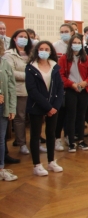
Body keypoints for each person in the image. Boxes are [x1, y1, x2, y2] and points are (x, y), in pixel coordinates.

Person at [25, 41, 64, 176]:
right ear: (37, 51)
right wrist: (47, 107)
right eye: (41, 49)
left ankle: (51, 161)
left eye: (46, 49)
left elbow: (59, 87)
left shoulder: (55, 67)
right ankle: (37, 165)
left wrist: (55, 107)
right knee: (35, 135)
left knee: (51, 134)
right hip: (37, 105)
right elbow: (32, 90)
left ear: (50, 51)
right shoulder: (31, 67)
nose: (44, 51)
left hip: (53, 106)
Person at [59, 35, 88, 152]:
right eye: (74, 42)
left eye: (79, 42)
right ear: (70, 44)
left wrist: (86, 82)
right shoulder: (64, 58)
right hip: (71, 90)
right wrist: (71, 84)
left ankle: (81, 140)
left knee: (81, 116)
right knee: (71, 116)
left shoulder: (86, 58)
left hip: (84, 90)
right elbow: (61, 76)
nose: (76, 44)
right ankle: (71, 141)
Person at [3, 30, 32, 155]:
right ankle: (21, 143)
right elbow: (10, 73)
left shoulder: (31, 52)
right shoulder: (8, 54)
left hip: (33, 90)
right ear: (14, 38)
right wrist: (30, 76)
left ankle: (34, 142)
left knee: (34, 117)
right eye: (21, 36)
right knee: (20, 118)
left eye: (26, 37)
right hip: (19, 90)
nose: (23, 39)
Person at [0, 40, 17, 181]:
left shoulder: (5, 63)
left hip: (3, 107)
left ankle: (1, 168)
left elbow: (11, 86)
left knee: (1, 139)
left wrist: (11, 107)